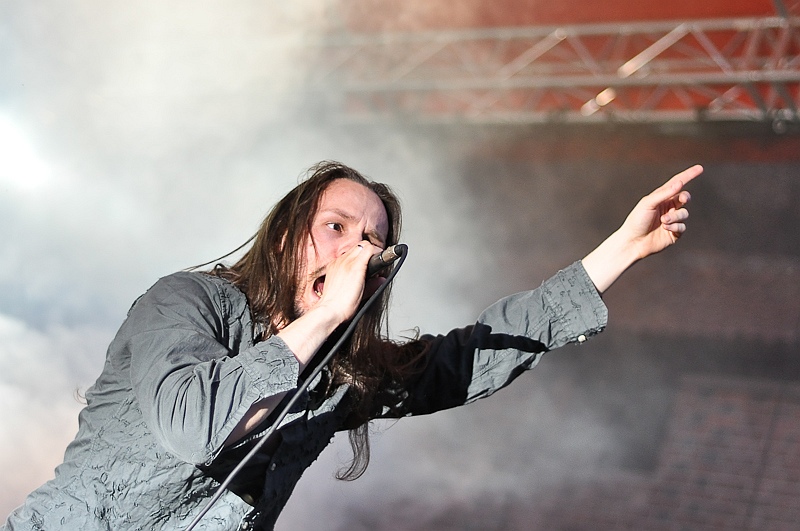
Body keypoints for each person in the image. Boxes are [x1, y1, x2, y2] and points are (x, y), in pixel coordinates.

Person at [2, 161, 701, 530]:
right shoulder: (185, 303)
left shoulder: (336, 378)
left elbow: (464, 360)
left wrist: (615, 253)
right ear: (285, 235)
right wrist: (324, 315)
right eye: (337, 226)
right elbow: (192, 422)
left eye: (371, 239)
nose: (357, 248)